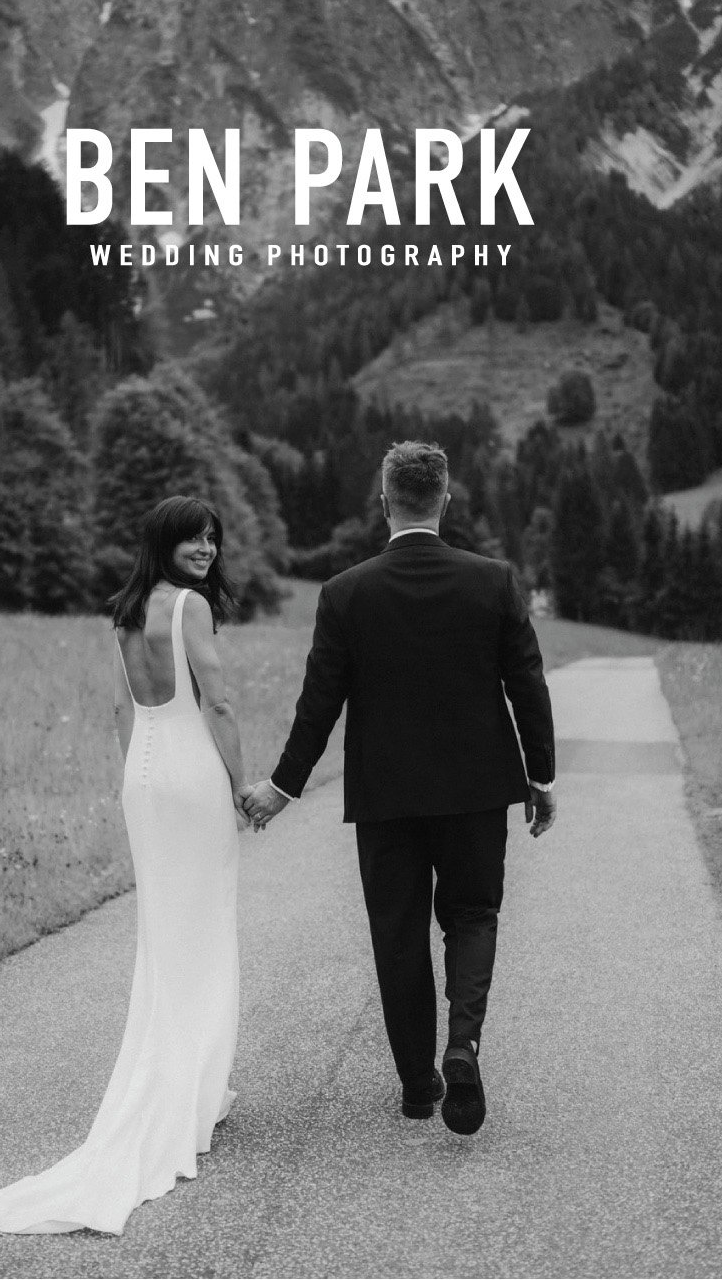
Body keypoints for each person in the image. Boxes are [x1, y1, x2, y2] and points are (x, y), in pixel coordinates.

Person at [243, 441, 556, 1136]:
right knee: (472, 915)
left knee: (398, 932)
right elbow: (527, 687)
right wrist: (540, 776)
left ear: (384, 501)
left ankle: (420, 1086)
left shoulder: (346, 593)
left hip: (386, 797)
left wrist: (282, 788)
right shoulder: (494, 580)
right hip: (477, 790)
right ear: (445, 498)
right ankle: (463, 1046)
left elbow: (318, 703)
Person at [0, 496, 249, 1234]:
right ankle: (194, 1092)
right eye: (193, 538)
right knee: (201, 927)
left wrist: (135, 786)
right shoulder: (191, 609)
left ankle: (186, 1080)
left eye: (212, 539)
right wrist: (240, 785)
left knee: (163, 931)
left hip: (144, 779)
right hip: (190, 776)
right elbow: (218, 704)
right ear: (165, 542)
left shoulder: (122, 611)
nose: (207, 549)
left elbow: (121, 712)